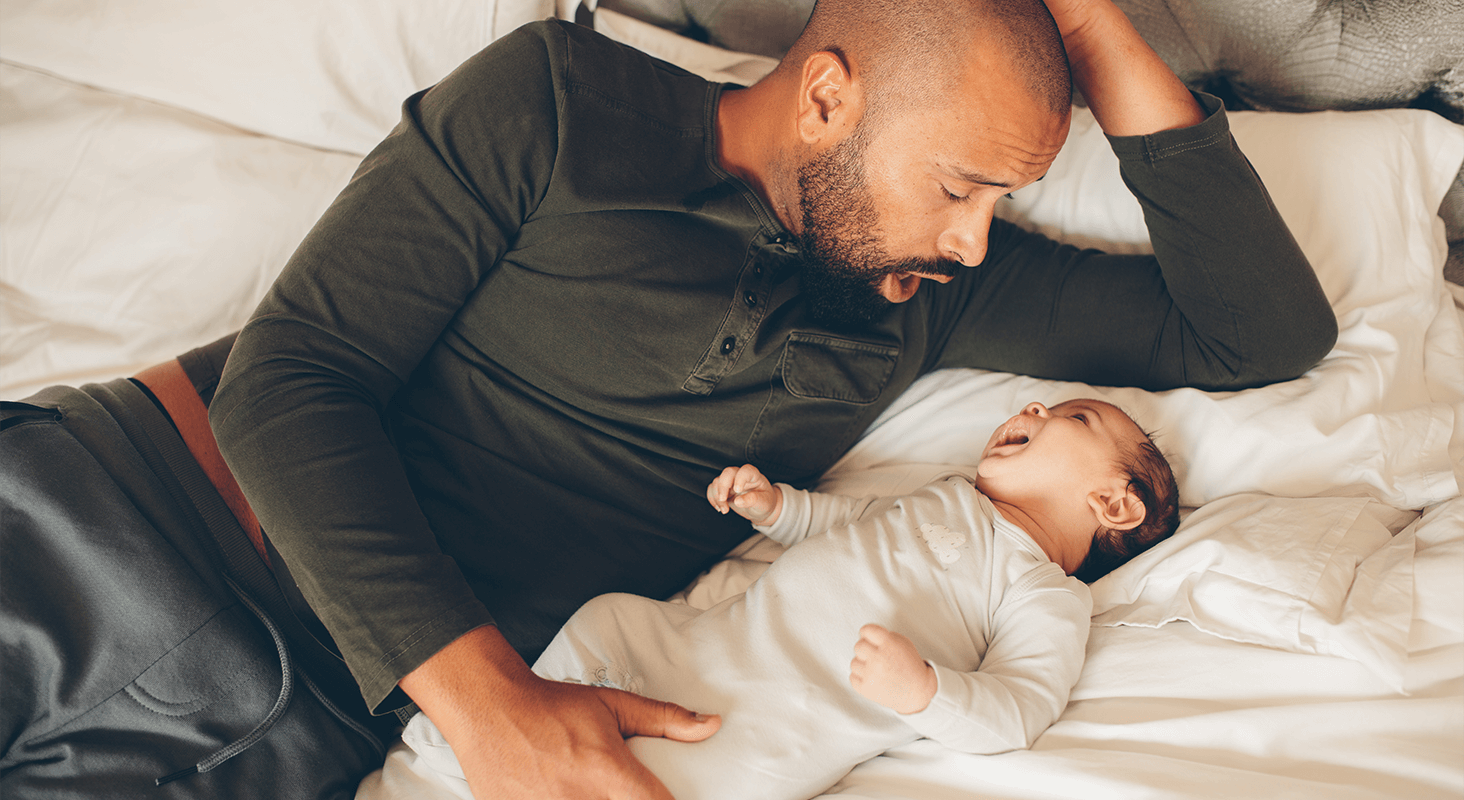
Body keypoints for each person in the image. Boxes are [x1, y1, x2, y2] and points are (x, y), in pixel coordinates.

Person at [193, 0, 1337, 796]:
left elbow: (1260, 330)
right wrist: (492, 706)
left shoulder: (929, 296)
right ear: (829, 98)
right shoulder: (561, 102)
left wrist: (1081, 23)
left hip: (340, 724)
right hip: (162, 525)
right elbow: (290, 378)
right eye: (958, 184)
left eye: (998, 198)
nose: (974, 238)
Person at [400, 398, 1180, 800]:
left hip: (774, 716)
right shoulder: (944, 494)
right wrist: (778, 510)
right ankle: (484, 735)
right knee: (611, 616)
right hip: (713, 641)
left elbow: (1021, 706)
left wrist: (928, 692)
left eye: (1075, 417)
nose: (1033, 412)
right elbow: (849, 525)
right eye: (1041, 405)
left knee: (680, 780)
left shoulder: (1043, 592)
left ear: (1114, 505)